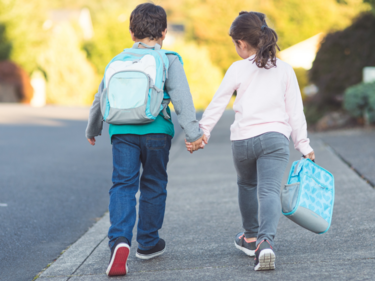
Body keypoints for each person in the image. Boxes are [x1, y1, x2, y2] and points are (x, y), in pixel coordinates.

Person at [186, 11, 315, 271]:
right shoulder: (285, 70)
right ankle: (265, 244)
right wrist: (304, 146)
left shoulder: (237, 68)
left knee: (246, 185)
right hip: (275, 139)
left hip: (243, 140)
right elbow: (295, 112)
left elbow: (217, 103)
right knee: (268, 190)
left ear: (241, 43)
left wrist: (202, 134)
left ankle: (250, 237)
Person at [86, 3, 204, 277]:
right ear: (164, 32)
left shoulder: (116, 61)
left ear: (131, 32)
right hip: (156, 132)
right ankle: (148, 243)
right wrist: (194, 134)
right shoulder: (169, 59)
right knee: (153, 183)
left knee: (123, 185)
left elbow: (100, 97)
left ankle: (120, 241)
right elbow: (182, 100)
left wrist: (93, 129)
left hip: (122, 133)